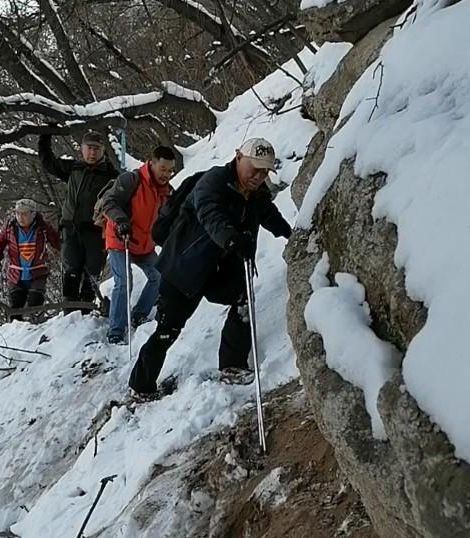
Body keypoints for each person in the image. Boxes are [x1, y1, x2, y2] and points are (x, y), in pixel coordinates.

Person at [128, 138, 292, 398]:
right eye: (255, 168)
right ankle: (140, 386)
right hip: (184, 269)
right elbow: (210, 213)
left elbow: (268, 214)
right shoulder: (213, 181)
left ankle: (232, 364)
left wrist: (291, 234)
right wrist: (231, 238)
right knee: (167, 331)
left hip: (221, 269)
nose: (259, 176)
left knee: (242, 301)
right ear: (239, 157)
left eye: (265, 171)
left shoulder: (256, 193)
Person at [101, 145, 175, 344]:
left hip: (144, 244)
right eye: (163, 169)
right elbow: (108, 202)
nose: (166, 174)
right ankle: (116, 330)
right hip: (120, 238)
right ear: (151, 163)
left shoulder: (167, 192)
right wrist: (121, 221)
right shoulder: (131, 180)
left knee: (158, 275)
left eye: (170, 170)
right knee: (124, 281)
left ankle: (138, 314)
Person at [38, 129, 116, 311]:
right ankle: (69, 309)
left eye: (96, 149)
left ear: (103, 150)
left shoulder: (110, 174)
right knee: (71, 268)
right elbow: (48, 162)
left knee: (92, 269)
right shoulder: (74, 168)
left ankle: (87, 307)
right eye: (89, 148)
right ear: (82, 149)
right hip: (71, 227)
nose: (92, 152)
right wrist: (46, 134)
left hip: (96, 230)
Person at [0, 198, 59, 321]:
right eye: (17, 213)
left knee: (35, 304)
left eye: (24, 213)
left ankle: (38, 331)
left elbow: (56, 241)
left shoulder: (42, 227)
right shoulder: (9, 227)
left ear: (33, 214)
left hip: (37, 273)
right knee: (15, 310)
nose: (20, 217)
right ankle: (15, 336)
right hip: (15, 274)